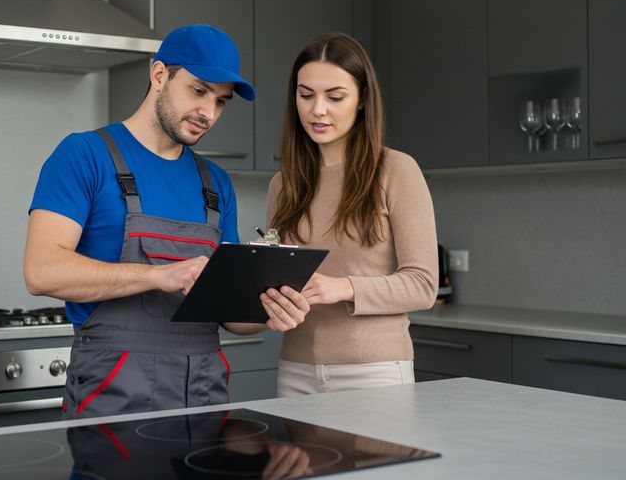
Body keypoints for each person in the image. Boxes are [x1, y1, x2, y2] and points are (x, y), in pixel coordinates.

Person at [23, 24, 311, 419]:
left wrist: (269, 311)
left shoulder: (215, 183)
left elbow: (229, 316)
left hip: (204, 391)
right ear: (159, 75)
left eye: (221, 102)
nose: (208, 113)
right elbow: (41, 272)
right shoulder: (84, 155)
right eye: (198, 90)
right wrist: (159, 276)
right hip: (114, 391)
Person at [265, 32, 439, 396]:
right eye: (306, 94)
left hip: (373, 372)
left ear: (362, 100)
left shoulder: (396, 170)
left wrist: (342, 287)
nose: (318, 110)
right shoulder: (283, 184)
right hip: (296, 370)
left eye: (335, 96)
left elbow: (423, 285)